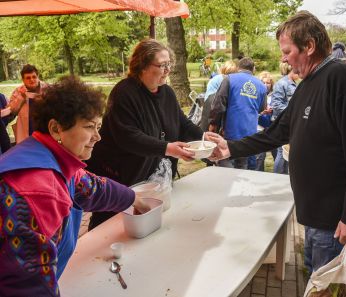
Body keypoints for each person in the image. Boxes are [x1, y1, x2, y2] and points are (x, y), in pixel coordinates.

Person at [206, 11, 346, 274]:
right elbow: (277, 133)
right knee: (313, 277)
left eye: (287, 50)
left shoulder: (343, 79)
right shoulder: (307, 84)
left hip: (336, 219)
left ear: (310, 46)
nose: (282, 58)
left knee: (328, 285)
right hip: (315, 213)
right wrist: (230, 147)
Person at [0, 76, 150, 296]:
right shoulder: (40, 191)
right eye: (90, 127)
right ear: (56, 128)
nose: (98, 137)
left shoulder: (48, 155)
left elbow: (93, 188)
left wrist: (135, 199)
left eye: (98, 127)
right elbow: (29, 285)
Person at [87, 38, 203, 230]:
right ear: (142, 66)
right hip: (121, 177)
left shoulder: (167, 93)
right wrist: (167, 148)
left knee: (148, 227)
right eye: (162, 65)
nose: (168, 70)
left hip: (150, 180)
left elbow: (182, 123)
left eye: (169, 64)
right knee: (110, 228)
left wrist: (205, 140)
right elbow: (128, 137)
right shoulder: (124, 93)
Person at [209, 57, 267, 169]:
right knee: (243, 166)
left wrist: (213, 123)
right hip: (250, 133)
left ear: (238, 68)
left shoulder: (229, 79)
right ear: (253, 69)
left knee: (225, 164)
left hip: (230, 131)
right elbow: (261, 108)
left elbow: (218, 104)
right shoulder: (261, 85)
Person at [270, 62, 299, 174]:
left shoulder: (293, 83)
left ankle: (285, 175)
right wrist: (293, 112)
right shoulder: (281, 83)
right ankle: (278, 176)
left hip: (290, 122)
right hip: (282, 122)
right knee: (282, 152)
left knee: (287, 151)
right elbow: (276, 104)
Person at [8, 64, 48, 143]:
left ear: (38, 76)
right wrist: (21, 98)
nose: (32, 80)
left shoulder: (47, 89)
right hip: (25, 132)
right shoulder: (18, 91)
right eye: (28, 78)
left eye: (34, 77)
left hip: (44, 130)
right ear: (23, 80)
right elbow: (12, 112)